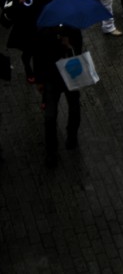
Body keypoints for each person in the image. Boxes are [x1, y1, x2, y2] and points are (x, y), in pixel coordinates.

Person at [33, 25, 83, 168]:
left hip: (70, 75)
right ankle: (51, 151)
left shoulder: (73, 29)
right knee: (50, 117)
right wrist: (39, 80)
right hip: (51, 78)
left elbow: (78, 51)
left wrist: (69, 47)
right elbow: (38, 54)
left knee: (74, 107)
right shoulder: (43, 30)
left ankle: (72, 135)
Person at [5, 0, 56, 84]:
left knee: (41, 53)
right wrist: (19, 3)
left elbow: (54, 9)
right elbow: (12, 11)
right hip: (26, 29)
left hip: (42, 29)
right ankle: (28, 68)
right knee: (28, 53)